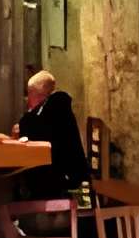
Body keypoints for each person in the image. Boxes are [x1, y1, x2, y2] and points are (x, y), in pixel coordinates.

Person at [14, 70, 87, 198]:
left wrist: (21, 127)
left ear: (37, 94)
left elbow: (30, 127)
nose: (27, 99)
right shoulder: (58, 108)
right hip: (64, 174)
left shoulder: (55, 107)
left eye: (29, 93)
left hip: (62, 178)